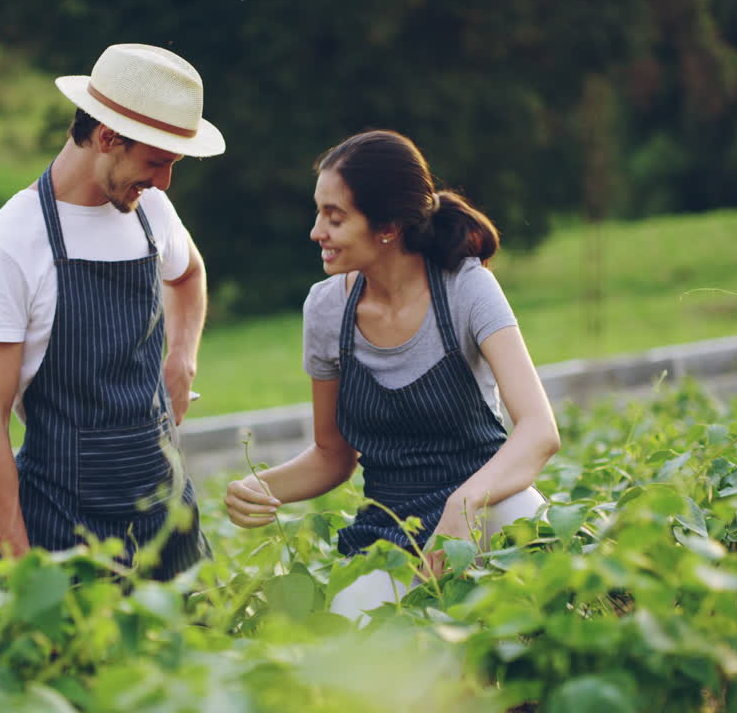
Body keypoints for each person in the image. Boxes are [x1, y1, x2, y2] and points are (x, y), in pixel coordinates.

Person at [224, 130, 560, 617]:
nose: (316, 231)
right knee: (361, 643)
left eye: (335, 218)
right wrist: (262, 488)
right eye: (319, 213)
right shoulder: (325, 311)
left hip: (491, 506)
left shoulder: (466, 289)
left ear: (387, 227)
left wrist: (462, 507)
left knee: (542, 605)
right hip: (390, 530)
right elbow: (332, 455)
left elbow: (539, 431)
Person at [0, 44, 224, 580]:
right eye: (157, 162)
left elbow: (189, 274)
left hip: (168, 518)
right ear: (107, 137)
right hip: (64, 528)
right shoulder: (9, 244)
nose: (165, 181)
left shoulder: (151, 210)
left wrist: (182, 359)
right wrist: (20, 560)